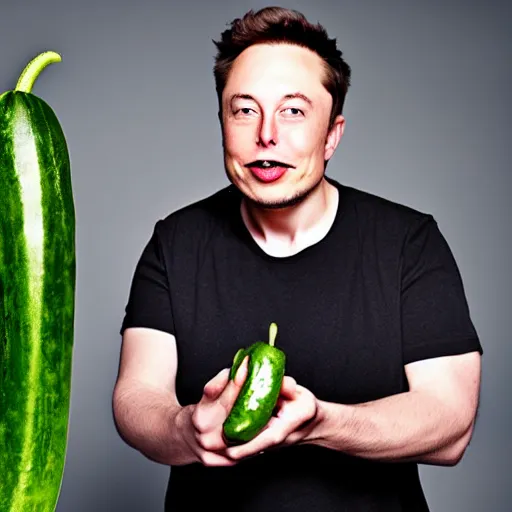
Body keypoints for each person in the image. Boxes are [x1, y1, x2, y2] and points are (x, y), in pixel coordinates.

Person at [112, 6, 483, 511]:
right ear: (222, 124)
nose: (267, 134)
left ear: (332, 134)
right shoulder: (175, 241)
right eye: (244, 109)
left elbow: (451, 421)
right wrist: (185, 428)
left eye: (293, 110)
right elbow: (137, 397)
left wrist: (321, 423)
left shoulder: (408, 241)